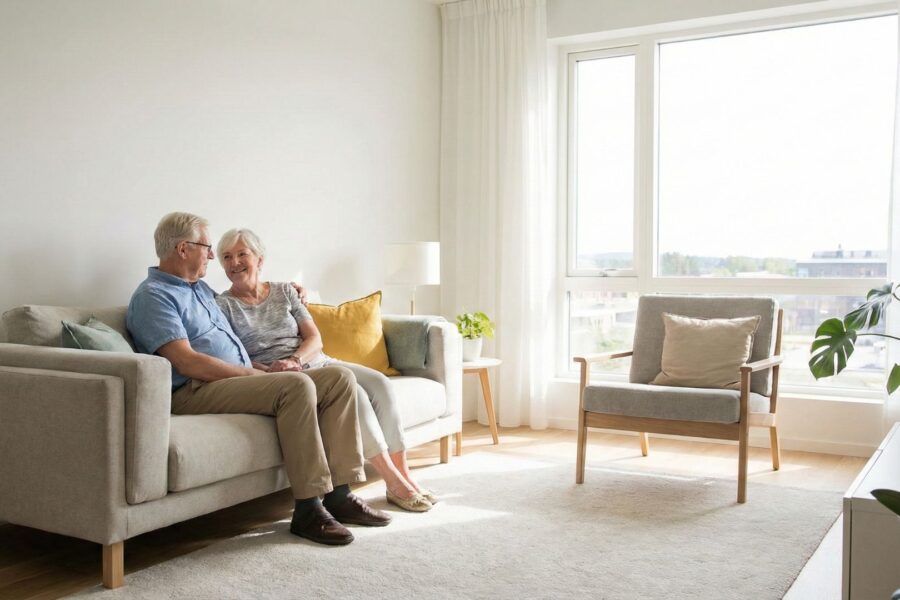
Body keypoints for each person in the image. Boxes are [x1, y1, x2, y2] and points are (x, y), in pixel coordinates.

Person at [126, 212, 391, 546]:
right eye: (208, 248)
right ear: (183, 249)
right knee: (296, 385)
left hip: (235, 380)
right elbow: (186, 362)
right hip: (195, 389)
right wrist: (252, 372)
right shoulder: (154, 296)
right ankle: (308, 508)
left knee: (338, 378)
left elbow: (245, 306)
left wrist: (293, 293)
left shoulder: (200, 290)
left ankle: (339, 494)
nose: (211, 256)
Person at [215, 228, 436, 512]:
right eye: (226, 257)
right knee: (355, 394)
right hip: (286, 377)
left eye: (241, 254)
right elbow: (232, 353)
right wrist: (264, 368)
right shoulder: (222, 306)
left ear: (259, 259)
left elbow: (314, 338)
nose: (234, 263)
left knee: (380, 383)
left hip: (317, 361)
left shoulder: (285, 291)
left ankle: (405, 474)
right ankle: (393, 481)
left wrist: (296, 358)